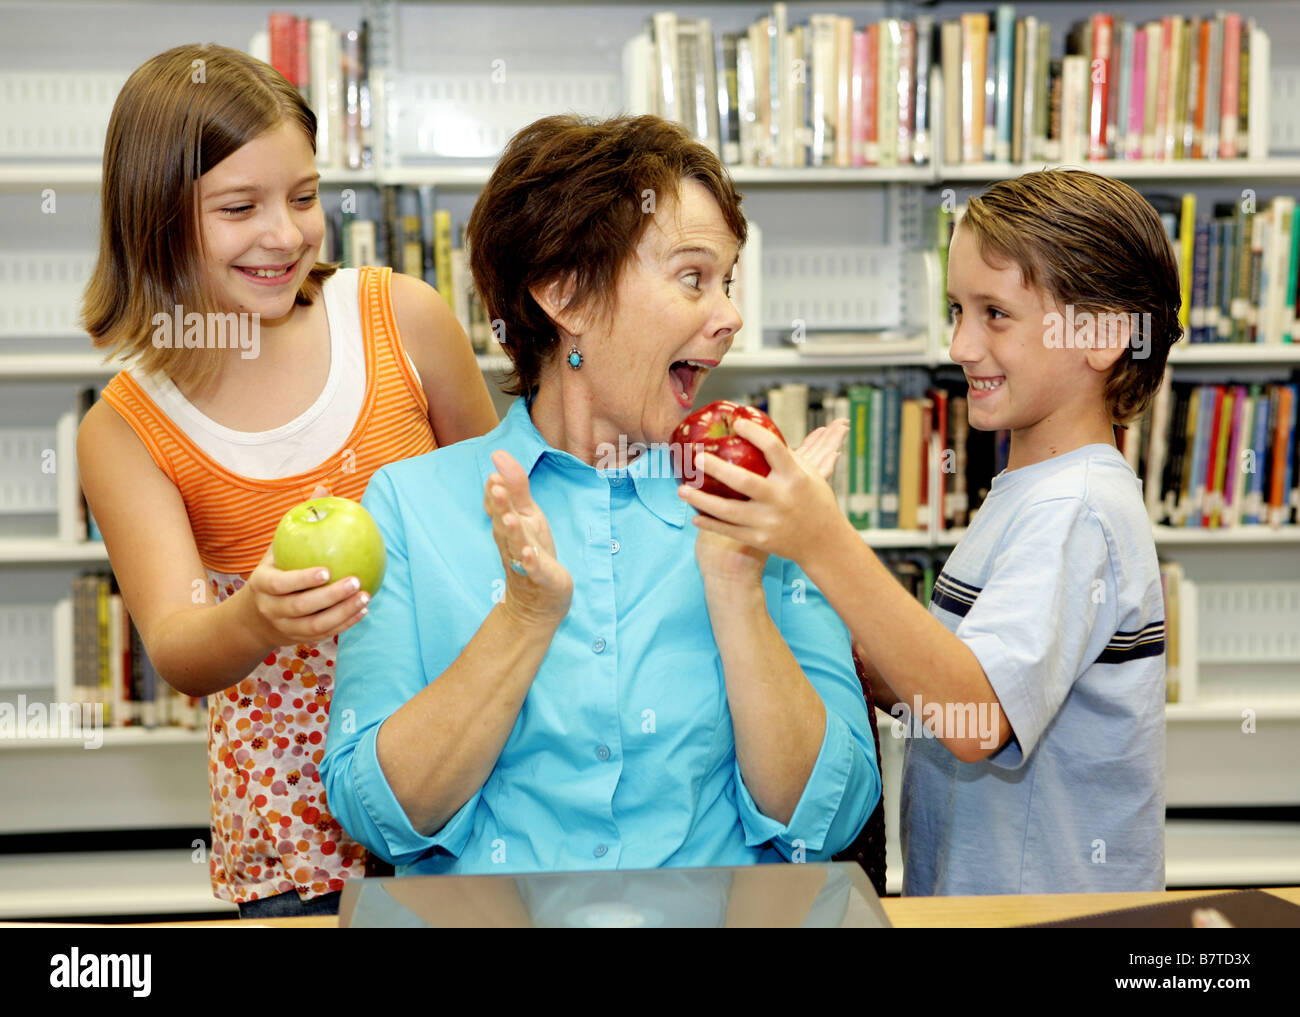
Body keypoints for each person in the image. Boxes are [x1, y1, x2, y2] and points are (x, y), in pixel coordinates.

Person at [320, 113, 881, 874]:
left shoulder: (769, 500)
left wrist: (737, 585)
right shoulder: (409, 506)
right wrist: (522, 621)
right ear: (567, 294)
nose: (731, 317)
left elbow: (827, 815)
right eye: (693, 277)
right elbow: (380, 815)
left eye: (728, 282)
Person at [76, 44, 498, 917]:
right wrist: (256, 616)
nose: (286, 233)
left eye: (304, 197)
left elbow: (504, 504)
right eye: (240, 207)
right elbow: (182, 645)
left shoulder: (403, 319)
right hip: (293, 836)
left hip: (473, 783)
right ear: (154, 219)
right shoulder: (124, 429)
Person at [681, 169, 1177, 895]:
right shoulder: (1026, 493)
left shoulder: (1078, 509)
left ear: (1101, 335)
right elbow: (951, 682)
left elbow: (975, 716)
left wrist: (823, 541)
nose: (961, 344)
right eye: (956, 309)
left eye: (995, 314)